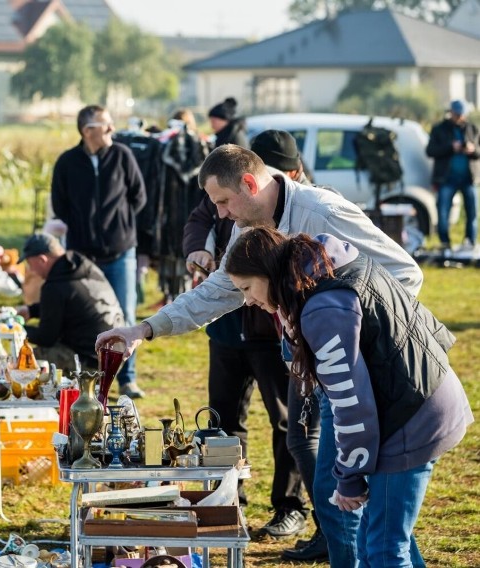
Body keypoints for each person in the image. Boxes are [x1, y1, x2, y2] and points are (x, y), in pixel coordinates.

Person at [97, 144, 423, 567]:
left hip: (369, 373)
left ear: (249, 184)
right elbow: (220, 290)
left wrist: (350, 339)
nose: (221, 214)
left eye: (223, 201)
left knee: (347, 507)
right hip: (320, 368)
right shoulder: (249, 221)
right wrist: (145, 328)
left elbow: (404, 274)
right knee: (367, 512)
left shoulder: (321, 211)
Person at [224, 226, 473, 567]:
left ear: (268, 273)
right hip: (419, 397)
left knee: (383, 549)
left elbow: (349, 402)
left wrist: (350, 477)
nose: (248, 300)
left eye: (247, 288)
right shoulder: (324, 268)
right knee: (381, 537)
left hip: (412, 416)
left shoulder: (322, 308)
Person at [181, 130, 313, 546]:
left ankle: (289, 507)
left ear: (287, 173)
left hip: (269, 331)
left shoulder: (303, 209)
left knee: (288, 422)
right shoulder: (226, 193)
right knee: (221, 421)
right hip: (224, 328)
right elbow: (199, 218)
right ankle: (226, 504)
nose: (224, 212)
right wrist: (196, 250)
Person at [51, 104, 147, 398]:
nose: (111, 130)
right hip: (83, 256)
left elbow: (138, 197)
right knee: (86, 314)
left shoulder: (122, 155)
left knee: (125, 314)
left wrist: (118, 227)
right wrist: (83, 228)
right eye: (105, 125)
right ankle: (89, 378)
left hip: (120, 252)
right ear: (87, 130)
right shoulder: (67, 162)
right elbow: (60, 205)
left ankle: (127, 380)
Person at [16, 232, 124, 373]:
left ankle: (45, 394)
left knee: (24, 360)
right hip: (116, 354)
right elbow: (70, 301)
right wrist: (31, 311)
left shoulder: (54, 286)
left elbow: (46, 337)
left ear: (42, 260)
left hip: (90, 361)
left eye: (30, 264)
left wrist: (15, 329)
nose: (31, 270)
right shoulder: (83, 267)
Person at [426, 99, 480, 254]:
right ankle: (445, 243)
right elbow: (430, 151)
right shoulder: (439, 129)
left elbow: (478, 153)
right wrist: (451, 147)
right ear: (451, 113)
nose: (459, 117)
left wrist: (472, 150)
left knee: (472, 212)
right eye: (457, 114)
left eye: (462, 114)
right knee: (443, 212)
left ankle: (470, 242)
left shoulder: (473, 129)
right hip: (446, 179)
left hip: (468, 179)